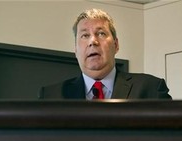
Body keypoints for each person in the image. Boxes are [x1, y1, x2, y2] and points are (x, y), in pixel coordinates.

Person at [39, 8, 172, 99]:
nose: (93, 41)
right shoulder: (51, 96)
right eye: (85, 35)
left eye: (101, 33)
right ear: (75, 50)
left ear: (116, 44)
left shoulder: (151, 88)